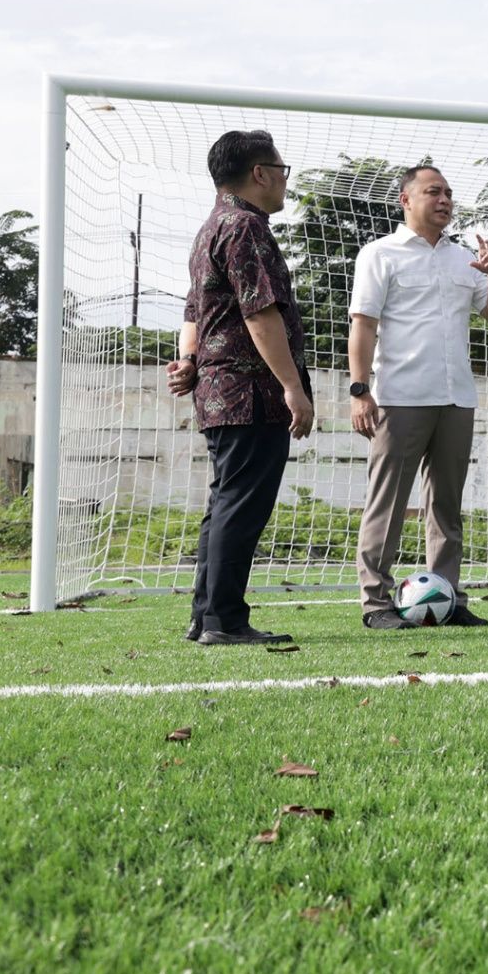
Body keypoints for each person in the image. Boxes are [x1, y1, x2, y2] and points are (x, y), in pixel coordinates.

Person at [347, 166, 488, 629]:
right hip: (398, 397)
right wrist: (361, 391)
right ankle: (376, 603)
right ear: (405, 199)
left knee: (446, 506)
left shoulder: (466, 259)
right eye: (433, 191)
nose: (444, 199)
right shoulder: (380, 254)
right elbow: (363, 325)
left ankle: (448, 597)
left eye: (449, 193)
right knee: (389, 502)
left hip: (456, 397)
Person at [166, 130, 312, 645]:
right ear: (260, 173)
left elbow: (195, 308)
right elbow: (258, 312)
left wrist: (188, 359)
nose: (282, 180)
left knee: (225, 503)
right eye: (281, 168)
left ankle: (206, 615)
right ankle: (223, 620)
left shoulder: (210, 228)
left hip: (219, 392)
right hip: (249, 393)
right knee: (240, 506)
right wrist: (292, 387)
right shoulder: (246, 227)